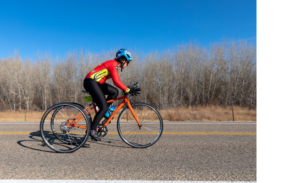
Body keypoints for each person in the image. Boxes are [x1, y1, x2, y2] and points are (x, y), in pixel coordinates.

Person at [84, 49, 133, 141]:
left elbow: (117, 82)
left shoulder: (115, 65)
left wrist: (126, 89)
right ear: (123, 59)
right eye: (128, 62)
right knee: (103, 107)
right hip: (91, 82)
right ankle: (92, 130)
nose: (128, 65)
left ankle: (105, 112)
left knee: (114, 92)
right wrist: (128, 89)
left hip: (96, 83)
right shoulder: (113, 64)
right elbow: (116, 81)